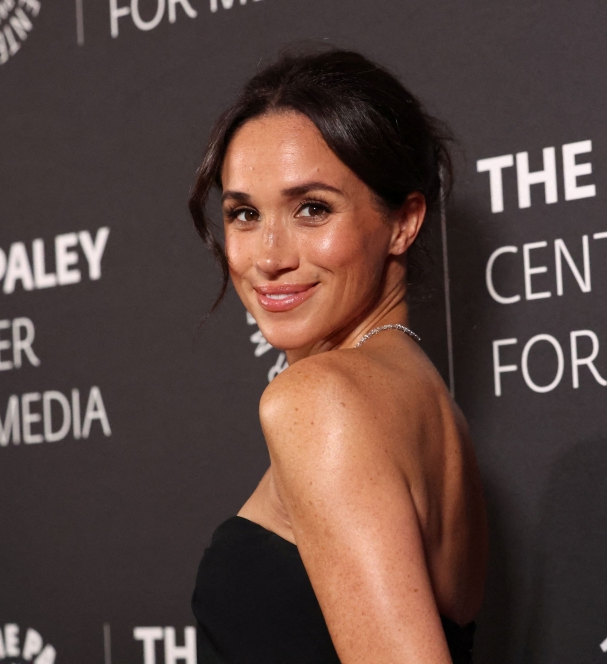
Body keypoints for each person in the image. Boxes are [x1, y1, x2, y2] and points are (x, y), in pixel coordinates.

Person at [189, 48, 489, 664]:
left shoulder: (321, 399)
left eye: (312, 209)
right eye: (244, 214)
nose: (269, 255)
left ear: (403, 222)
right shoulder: (424, 398)